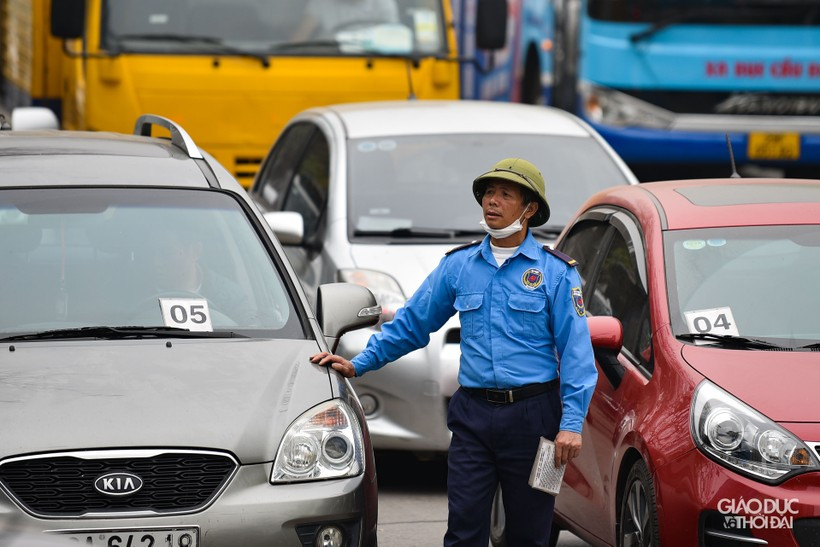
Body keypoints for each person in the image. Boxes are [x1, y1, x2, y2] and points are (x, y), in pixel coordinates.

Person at [310, 157, 598, 546]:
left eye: (505, 194)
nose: (492, 202)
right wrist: (360, 363)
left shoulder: (557, 273)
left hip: (537, 421)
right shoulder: (459, 266)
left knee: (531, 535)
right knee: (463, 530)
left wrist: (571, 424)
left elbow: (577, 353)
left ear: (529, 209)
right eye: (488, 193)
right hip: (473, 418)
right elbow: (414, 323)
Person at [290, 0, 399, 41]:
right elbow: (299, 39)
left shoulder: (384, 4)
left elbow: (394, 40)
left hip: (375, 64)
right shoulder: (321, 3)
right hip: (328, 62)